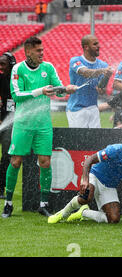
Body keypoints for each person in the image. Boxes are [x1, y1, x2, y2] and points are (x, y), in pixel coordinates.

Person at [2, 37, 77, 218]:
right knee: (15, 162)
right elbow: (17, 95)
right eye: (38, 51)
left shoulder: (48, 68)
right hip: (23, 124)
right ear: (28, 52)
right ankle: (8, 203)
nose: (42, 53)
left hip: (43, 124)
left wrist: (66, 89)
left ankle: (44, 204)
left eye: (42, 50)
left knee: (45, 162)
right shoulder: (18, 69)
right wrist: (41, 91)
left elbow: (56, 87)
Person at [48, 132, 122, 224]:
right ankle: (62, 214)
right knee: (86, 196)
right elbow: (89, 160)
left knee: (113, 219)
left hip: (109, 186)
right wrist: (85, 179)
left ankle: (84, 213)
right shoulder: (114, 150)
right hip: (95, 176)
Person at [67, 34, 114, 128]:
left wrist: (107, 76)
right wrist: (102, 71)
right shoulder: (76, 60)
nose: (99, 46)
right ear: (86, 47)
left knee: (95, 140)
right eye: (95, 44)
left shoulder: (103, 64)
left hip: (93, 108)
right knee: (79, 141)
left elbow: (101, 90)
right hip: (77, 108)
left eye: (98, 43)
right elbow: (85, 72)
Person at [0, 52, 16, 199]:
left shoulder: (18, 79)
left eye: (3, 64)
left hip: (10, 123)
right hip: (1, 119)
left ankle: (1, 187)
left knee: (6, 156)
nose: (0, 67)